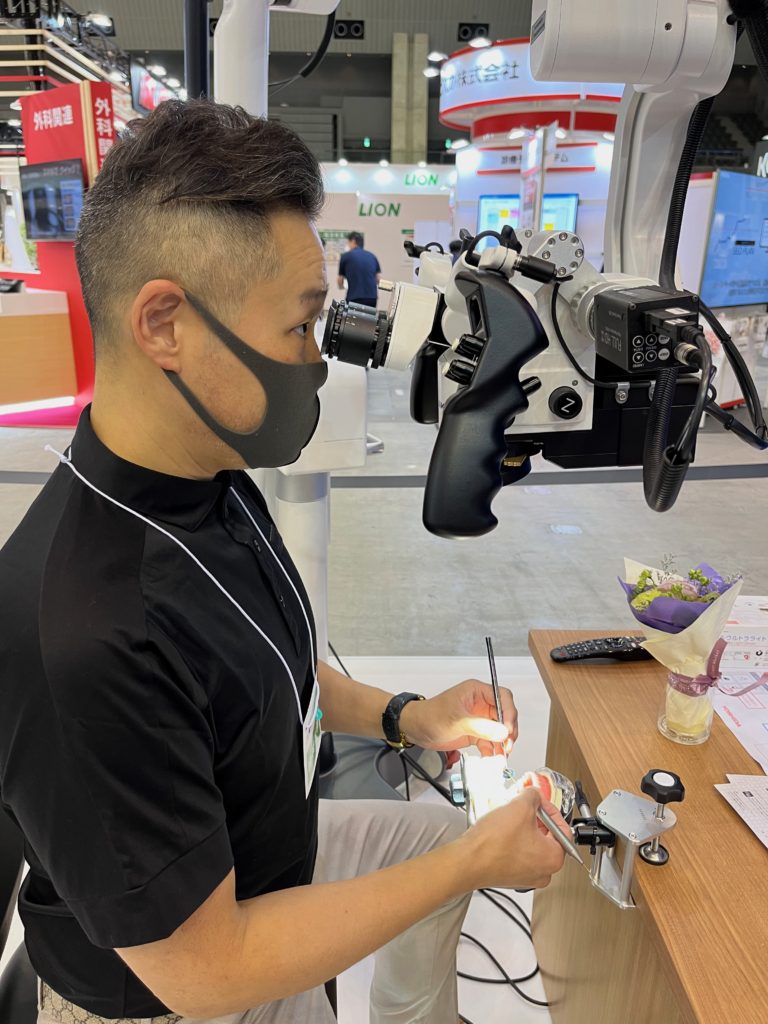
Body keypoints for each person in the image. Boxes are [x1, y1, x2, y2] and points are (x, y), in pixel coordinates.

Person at [0, 100, 568, 1024]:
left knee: (435, 838)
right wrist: (478, 859)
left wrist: (408, 717)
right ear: (165, 324)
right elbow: (210, 971)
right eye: (300, 328)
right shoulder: (85, 634)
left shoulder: (209, 474)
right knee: (456, 854)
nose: (317, 361)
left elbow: (262, 674)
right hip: (179, 985)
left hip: (266, 851)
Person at [337, 230, 381, 308]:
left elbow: (340, 280)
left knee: (353, 316)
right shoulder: (372, 256)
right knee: (369, 316)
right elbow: (378, 279)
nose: (348, 245)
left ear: (353, 241)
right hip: (371, 298)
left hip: (354, 298)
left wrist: (341, 287)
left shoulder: (346, 256)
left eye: (348, 242)